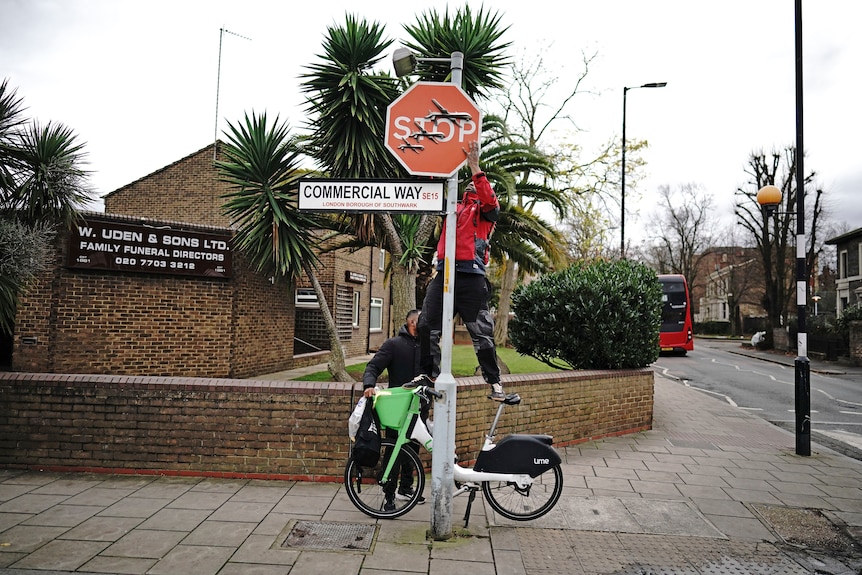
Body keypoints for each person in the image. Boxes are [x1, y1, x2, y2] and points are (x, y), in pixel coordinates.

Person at [414, 140, 505, 401]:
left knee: (482, 333)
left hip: (471, 277)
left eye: (475, 184)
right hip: (444, 273)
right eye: (469, 183)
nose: (471, 186)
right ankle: (428, 374)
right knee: (426, 325)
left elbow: (490, 201)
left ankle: (494, 382)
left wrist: (475, 166)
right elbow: (429, 193)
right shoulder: (451, 208)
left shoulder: (486, 212)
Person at [362, 309, 427, 507]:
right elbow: (373, 367)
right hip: (397, 409)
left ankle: (406, 489)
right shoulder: (393, 345)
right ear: (412, 323)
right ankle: (388, 495)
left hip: (419, 407)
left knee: (413, 449)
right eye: (423, 320)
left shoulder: (428, 346)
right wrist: (369, 385)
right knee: (394, 451)